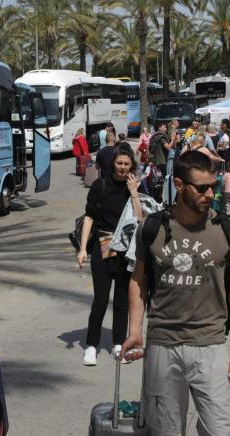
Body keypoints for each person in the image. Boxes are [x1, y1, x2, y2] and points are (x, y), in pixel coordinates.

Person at [122, 151, 230, 436]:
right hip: (163, 344)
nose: (210, 194)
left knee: (221, 430)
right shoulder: (152, 228)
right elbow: (139, 281)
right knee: (165, 430)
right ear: (179, 185)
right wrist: (135, 330)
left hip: (210, 344)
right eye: (202, 188)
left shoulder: (227, 229)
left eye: (213, 187)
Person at [77, 144, 142, 366]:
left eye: (126, 164)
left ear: (132, 165)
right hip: (102, 247)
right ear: (113, 163)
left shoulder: (135, 186)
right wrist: (83, 249)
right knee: (101, 299)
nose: (122, 167)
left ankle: (118, 344)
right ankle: (91, 345)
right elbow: (89, 217)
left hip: (126, 250)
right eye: (119, 163)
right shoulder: (100, 185)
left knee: (122, 299)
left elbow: (141, 218)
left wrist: (134, 193)